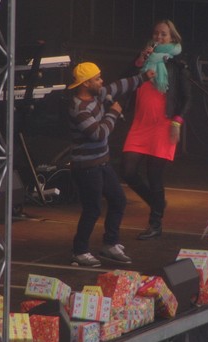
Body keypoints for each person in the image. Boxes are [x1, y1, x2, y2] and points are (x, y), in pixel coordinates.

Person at [66, 61, 154, 267]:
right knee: (92, 209)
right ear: (86, 83)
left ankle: (110, 243)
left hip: (101, 162)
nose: (101, 81)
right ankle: (79, 251)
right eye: (97, 79)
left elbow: (118, 86)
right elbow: (99, 133)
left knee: (118, 200)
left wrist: (143, 77)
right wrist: (113, 112)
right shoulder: (78, 108)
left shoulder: (97, 95)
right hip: (86, 167)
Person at [122, 19, 192, 239]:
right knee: (128, 171)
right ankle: (157, 202)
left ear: (172, 38)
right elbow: (125, 78)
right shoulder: (144, 57)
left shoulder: (177, 63)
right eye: (156, 34)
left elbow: (187, 98)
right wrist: (140, 60)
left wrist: (177, 122)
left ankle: (155, 224)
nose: (158, 38)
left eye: (163, 34)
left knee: (154, 176)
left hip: (164, 125)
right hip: (141, 123)